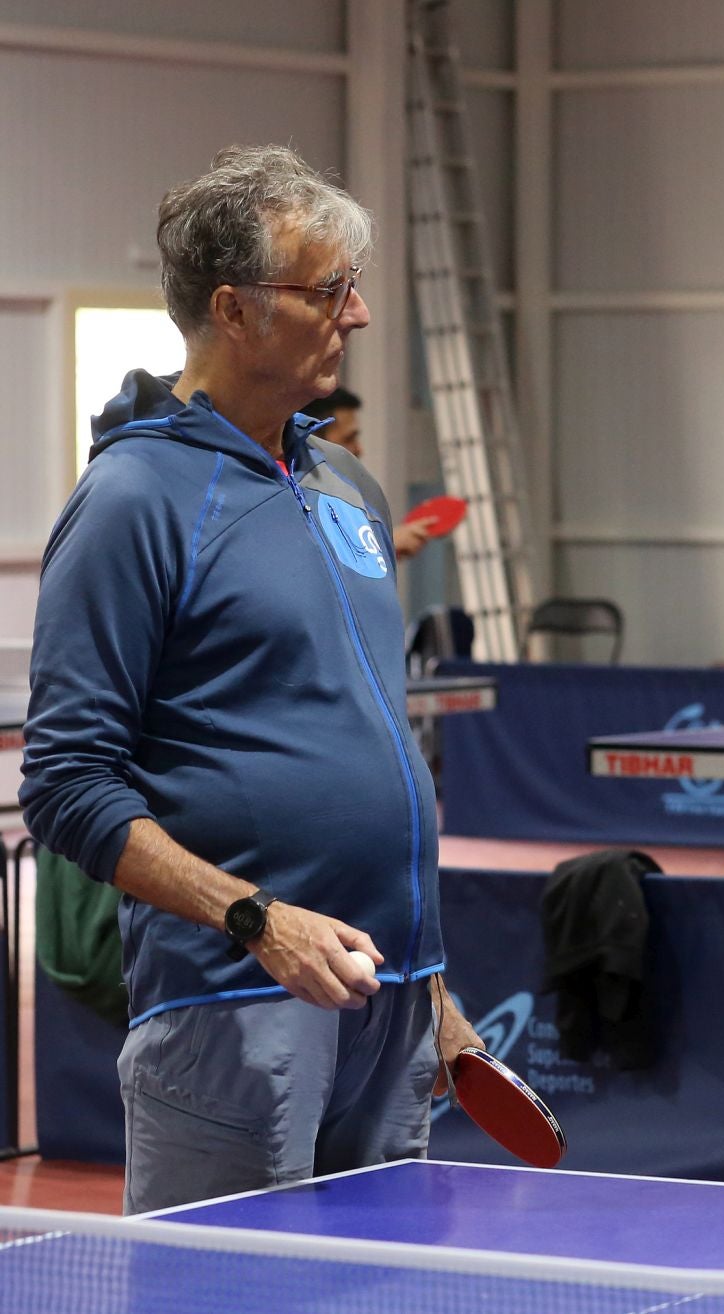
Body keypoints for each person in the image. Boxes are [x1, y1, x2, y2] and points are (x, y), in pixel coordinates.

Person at [21, 144, 479, 1215]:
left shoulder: (346, 483)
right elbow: (67, 784)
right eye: (328, 290)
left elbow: (362, 739)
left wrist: (433, 984)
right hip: (235, 1000)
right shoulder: (133, 499)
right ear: (232, 309)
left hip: (390, 998)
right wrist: (256, 919)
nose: (357, 315)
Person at [303, 386, 432, 559]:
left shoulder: (342, 500)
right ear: (316, 441)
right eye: (349, 438)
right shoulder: (297, 504)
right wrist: (385, 547)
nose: (359, 449)